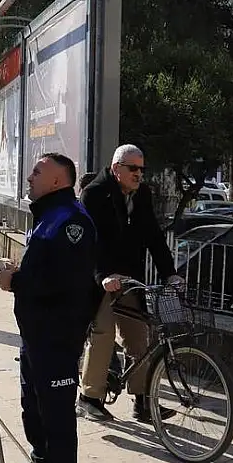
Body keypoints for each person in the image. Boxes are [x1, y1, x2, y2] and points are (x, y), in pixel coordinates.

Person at [0, 152, 97, 463]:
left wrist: (16, 280)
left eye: (38, 172)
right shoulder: (47, 216)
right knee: (34, 408)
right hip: (36, 335)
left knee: (56, 415)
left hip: (57, 336)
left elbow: (64, 282)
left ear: (58, 181)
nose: (29, 177)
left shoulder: (71, 221)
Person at [76, 144, 182, 422]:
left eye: (142, 169)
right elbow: (91, 241)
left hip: (129, 277)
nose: (139, 174)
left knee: (138, 337)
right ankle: (89, 398)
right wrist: (102, 277)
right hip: (99, 279)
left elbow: (153, 237)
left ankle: (143, 402)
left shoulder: (141, 194)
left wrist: (169, 272)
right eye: (133, 168)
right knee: (104, 333)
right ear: (116, 169)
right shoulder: (94, 194)